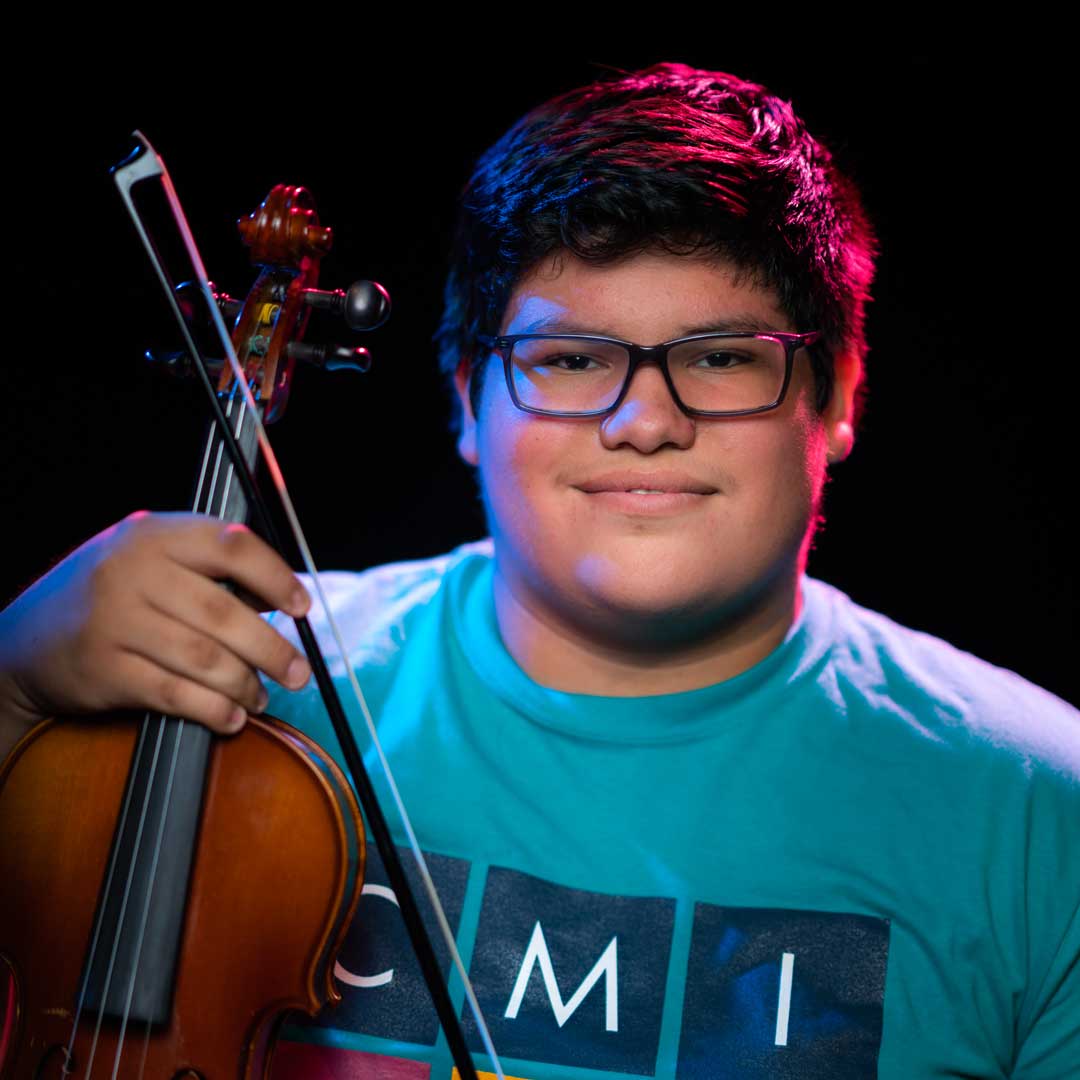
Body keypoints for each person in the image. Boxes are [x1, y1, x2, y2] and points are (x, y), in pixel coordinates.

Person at [1, 62, 1077, 1079]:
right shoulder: (230, 680)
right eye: (569, 360)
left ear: (837, 395)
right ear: (467, 401)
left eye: (719, 358)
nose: (645, 420)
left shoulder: (1044, 812)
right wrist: (7, 692)